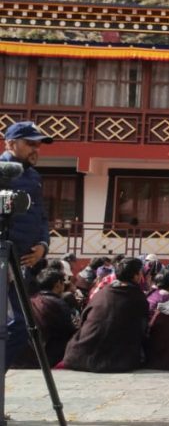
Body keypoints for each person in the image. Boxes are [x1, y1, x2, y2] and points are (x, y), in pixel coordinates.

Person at [1, 121, 53, 371]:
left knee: (22, 327)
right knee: (14, 325)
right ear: (10, 143)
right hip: (3, 258)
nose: (37, 149)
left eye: (39, 144)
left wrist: (43, 245)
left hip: (22, 261)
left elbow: (41, 215)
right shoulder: (2, 171)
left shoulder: (33, 176)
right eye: (30, 143)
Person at [63, 257, 149, 372]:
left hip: (78, 355)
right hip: (115, 361)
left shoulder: (102, 292)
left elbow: (84, 318)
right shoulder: (138, 298)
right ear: (136, 276)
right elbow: (142, 330)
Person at [13, 268, 77, 368]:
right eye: (63, 282)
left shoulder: (31, 300)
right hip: (48, 357)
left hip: (28, 354)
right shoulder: (58, 304)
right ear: (58, 284)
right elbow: (69, 331)